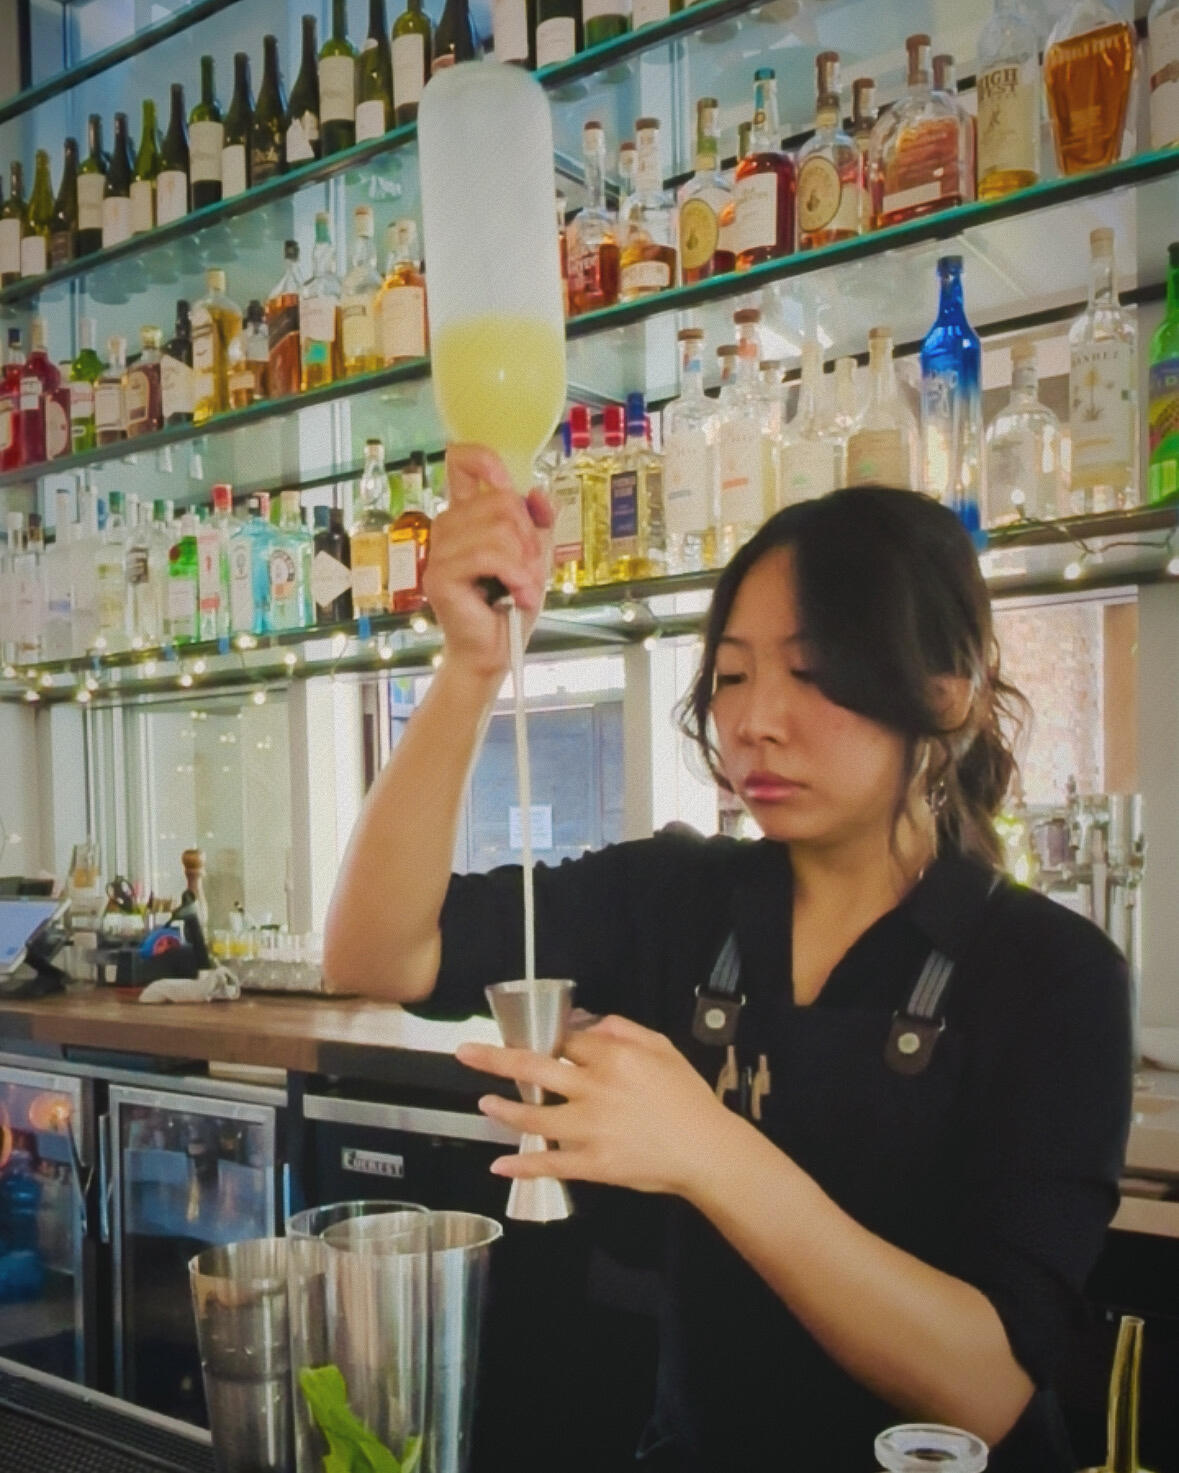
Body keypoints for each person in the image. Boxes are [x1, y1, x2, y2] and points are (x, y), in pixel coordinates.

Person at [324, 446, 1132, 1472]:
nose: (754, 721)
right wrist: (470, 665)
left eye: (813, 672)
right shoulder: (677, 899)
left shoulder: (1054, 977)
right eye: (737, 674)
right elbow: (376, 951)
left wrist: (709, 1149)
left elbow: (985, 1382)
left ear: (947, 692)